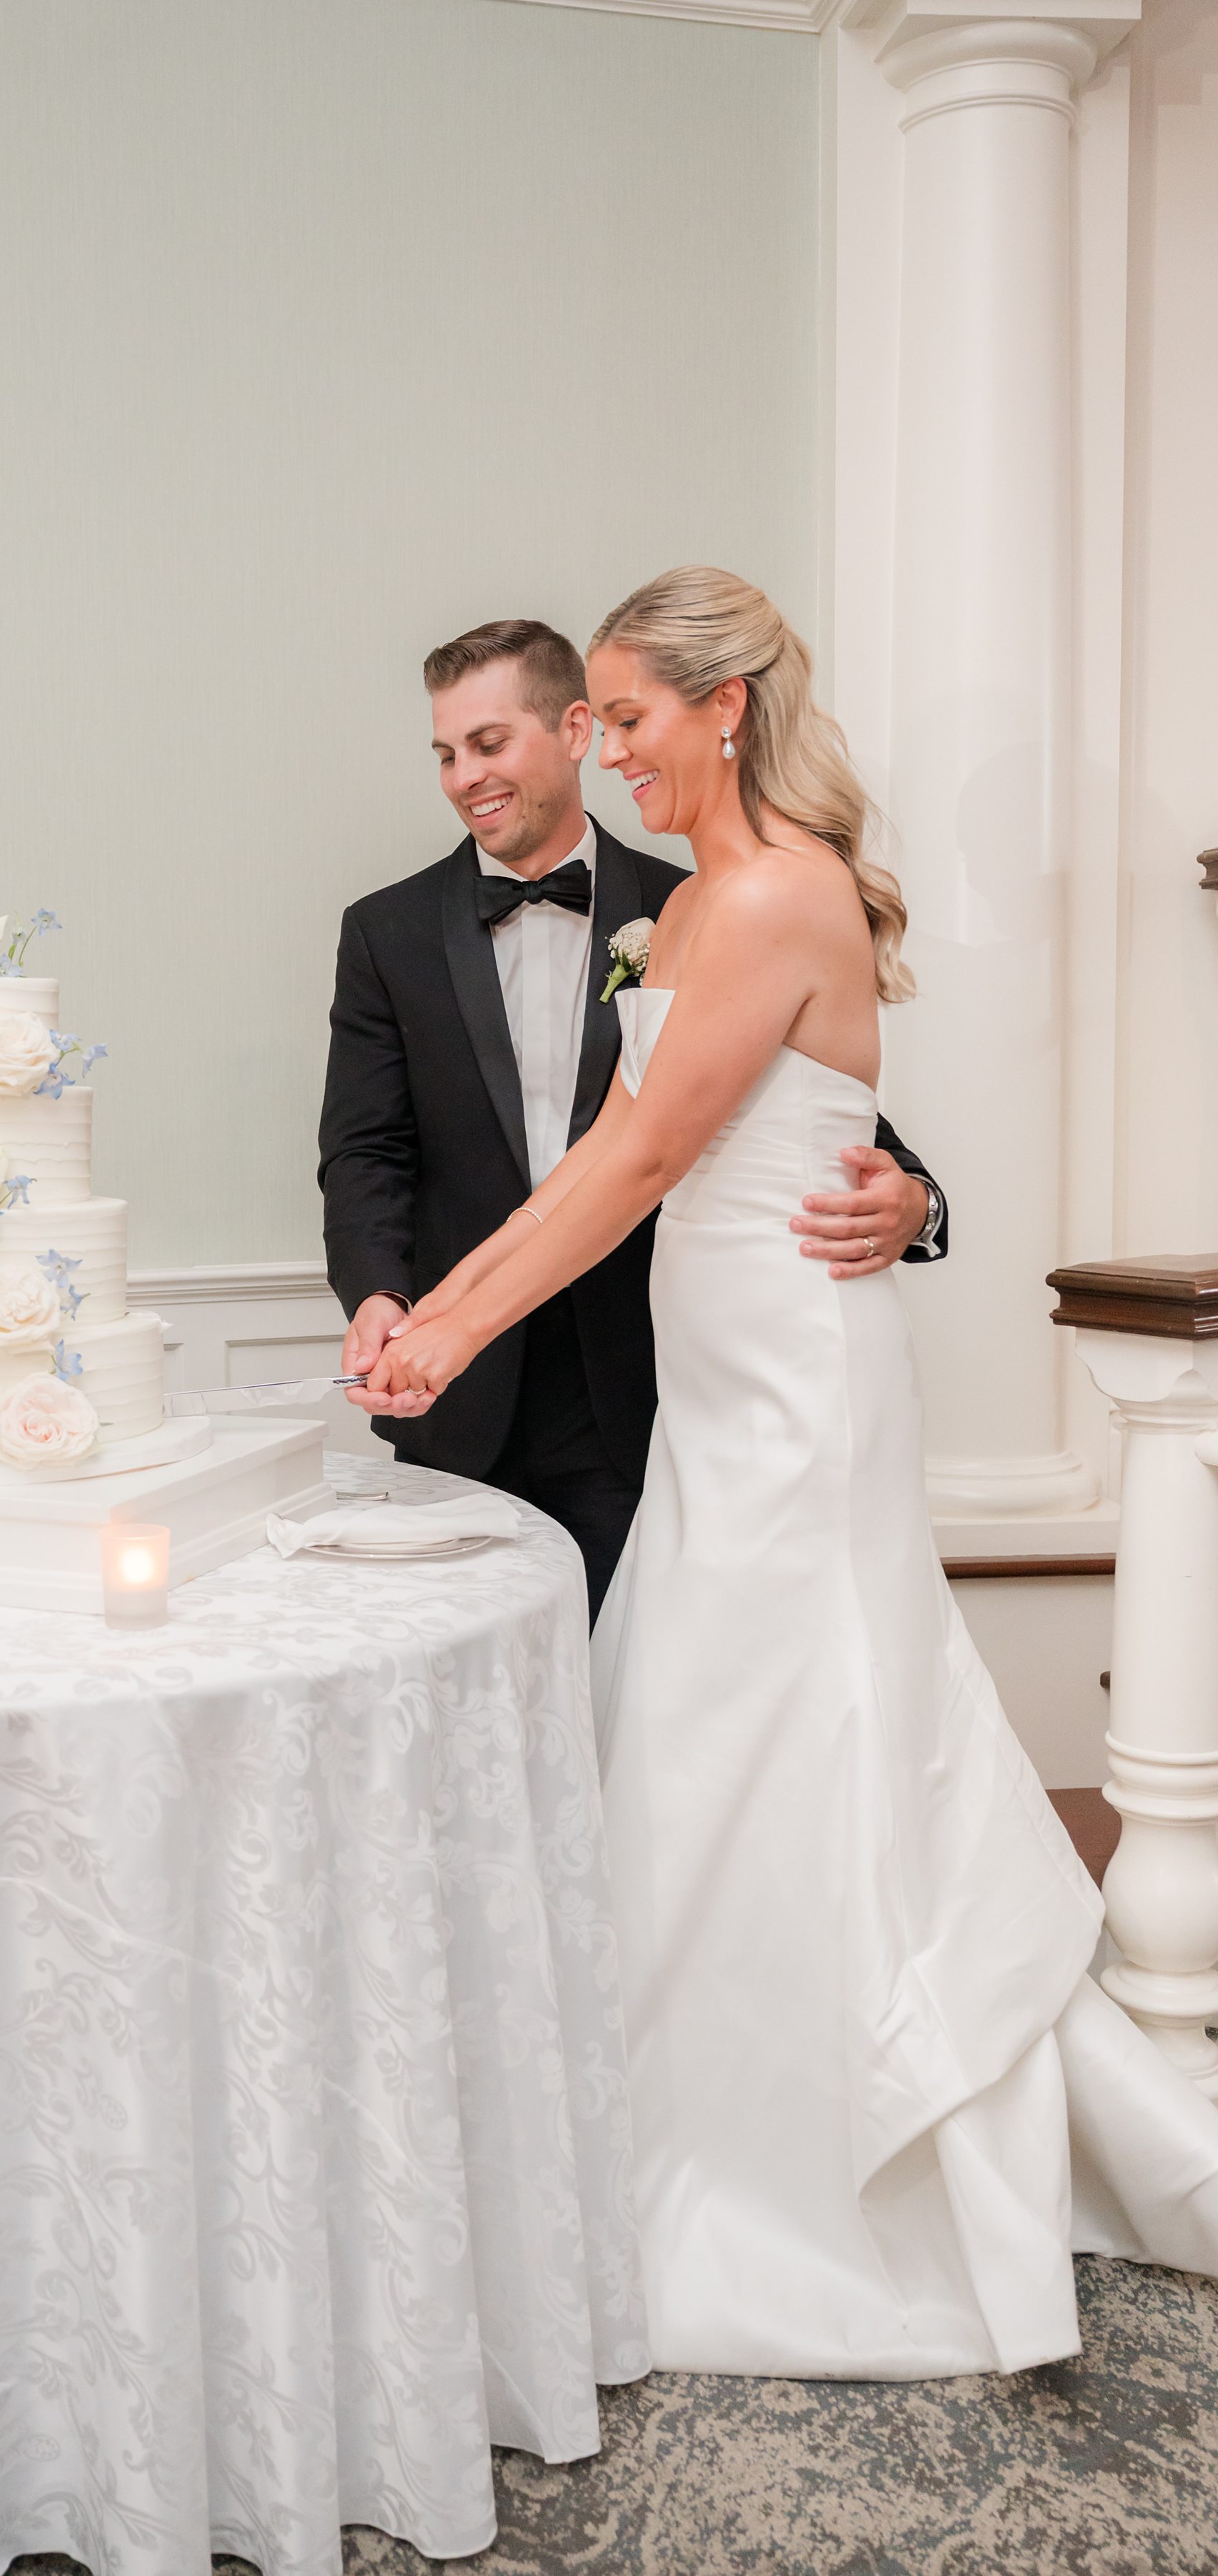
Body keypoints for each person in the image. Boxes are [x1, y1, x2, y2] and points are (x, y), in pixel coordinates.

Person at [368, 566, 1218, 2376]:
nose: (605, 749)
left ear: (724, 704)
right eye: (583, 718)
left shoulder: (770, 896)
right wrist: (434, 1305)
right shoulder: (693, 912)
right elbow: (624, 1149)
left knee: (803, 1718)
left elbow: (635, 1166)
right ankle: (715, 2103)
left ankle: (808, 2162)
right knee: (706, 1729)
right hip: (722, 1387)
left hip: (797, 1396)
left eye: (626, 715)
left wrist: (440, 1327)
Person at [317, 618, 947, 1620]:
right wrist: (420, 1309)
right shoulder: (401, 928)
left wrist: (917, 1202)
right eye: (445, 752)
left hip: (660, 1378)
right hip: (487, 1406)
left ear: (568, 731)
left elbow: (692, 1146)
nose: (463, 775)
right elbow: (373, 1150)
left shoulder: (718, 896)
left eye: (488, 743)